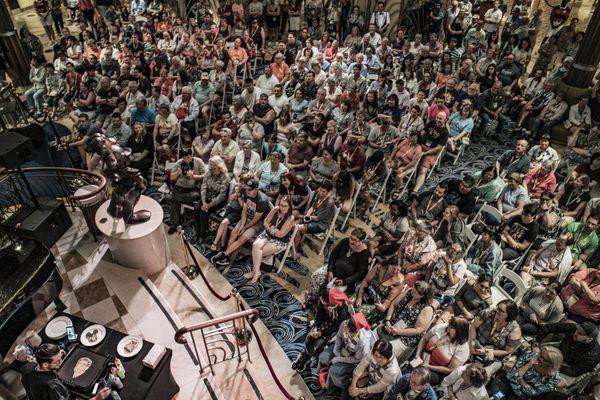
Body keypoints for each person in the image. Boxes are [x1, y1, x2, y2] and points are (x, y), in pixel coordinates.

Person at [211, 179, 271, 267]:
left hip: (259, 223)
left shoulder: (262, 200)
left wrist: (245, 228)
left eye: (250, 190)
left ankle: (224, 254)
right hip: (247, 218)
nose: (247, 191)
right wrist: (242, 225)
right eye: (246, 189)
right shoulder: (246, 193)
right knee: (233, 233)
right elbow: (244, 210)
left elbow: (256, 219)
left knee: (242, 238)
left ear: (256, 189)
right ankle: (227, 256)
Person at [21, 343, 112, 400]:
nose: (61, 362)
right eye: (57, 361)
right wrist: (96, 398)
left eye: (60, 358)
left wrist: (59, 354)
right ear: (45, 364)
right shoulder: (51, 386)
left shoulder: (27, 368)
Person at [292, 288, 351, 371]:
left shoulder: (342, 308)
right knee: (309, 337)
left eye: (326, 304)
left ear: (331, 302)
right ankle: (306, 355)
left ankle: (302, 358)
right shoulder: (323, 301)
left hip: (333, 328)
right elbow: (318, 315)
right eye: (323, 302)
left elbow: (337, 326)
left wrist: (322, 332)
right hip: (323, 323)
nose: (323, 304)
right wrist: (316, 326)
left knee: (317, 344)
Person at [317, 312, 377, 391]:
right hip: (342, 346)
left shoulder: (363, 343)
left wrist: (338, 359)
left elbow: (356, 359)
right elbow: (339, 336)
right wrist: (336, 351)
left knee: (333, 370)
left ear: (355, 332)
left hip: (352, 358)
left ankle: (328, 386)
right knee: (323, 357)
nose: (344, 329)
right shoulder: (344, 324)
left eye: (348, 331)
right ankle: (319, 373)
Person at [377, 281, 435, 361]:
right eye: (412, 289)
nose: (412, 292)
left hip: (405, 338)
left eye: (414, 292)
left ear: (422, 295)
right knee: (371, 336)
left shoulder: (427, 309)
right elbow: (394, 304)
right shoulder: (409, 292)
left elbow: (418, 330)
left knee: (383, 351)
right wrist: (388, 320)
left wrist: (397, 331)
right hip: (391, 324)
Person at [244, 195, 296, 284]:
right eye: (281, 205)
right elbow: (265, 222)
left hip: (280, 241)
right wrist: (272, 229)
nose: (282, 208)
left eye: (285, 206)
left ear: (290, 207)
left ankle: (254, 271)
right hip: (268, 235)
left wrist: (270, 228)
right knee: (255, 245)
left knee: (259, 252)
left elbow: (281, 234)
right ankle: (257, 272)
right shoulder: (276, 209)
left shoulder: (291, 218)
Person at [468, 300, 522, 376]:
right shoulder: (488, 313)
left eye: (501, 311)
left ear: (509, 315)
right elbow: (473, 326)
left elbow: (507, 351)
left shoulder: (514, 330)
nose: (497, 311)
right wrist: (472, 343)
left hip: (494, 356)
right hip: (475, 342)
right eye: (497, 308)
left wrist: (486, 352)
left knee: (479, 375)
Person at [490, 346, 563, 400]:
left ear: (550, 364)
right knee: (497, 398)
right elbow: (511, 376)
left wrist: (521, 379)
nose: (538, 357)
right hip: (505, 383)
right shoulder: (531, 356)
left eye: (542, 358)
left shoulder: (554, 378)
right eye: (540, 354)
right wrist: (528, 365)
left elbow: (533, 393)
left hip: (520, 395)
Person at [412, 317, 471, 385]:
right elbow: (424, 338)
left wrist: (428, 366)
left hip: (436, 370)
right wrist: (418, 355)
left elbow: (450, 370)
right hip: (423, 355)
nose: (448, 326)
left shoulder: (463, 348)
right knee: (411, 367)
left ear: (459, 331)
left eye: (451, 326)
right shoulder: (443, 328)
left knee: (419, 376)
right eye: (449, 323)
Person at [354, 253, 406, 325]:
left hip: (376, 304)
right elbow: (365, 281)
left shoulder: (399, 282)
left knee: (358, 313)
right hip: (365, 292)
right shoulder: (379, 267)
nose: (395, 272)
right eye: (393, 268)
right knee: (349, 302)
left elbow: (388, 300)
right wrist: (359, 297)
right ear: (389, 265)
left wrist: (383, 307)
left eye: (398, 270)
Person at [168, 149, 206, 235]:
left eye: (188, 158)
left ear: (191, 155)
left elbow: (206, 175)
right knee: (176, 201)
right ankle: (175, 224)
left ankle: (174, 224)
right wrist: (178, 172)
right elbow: (172, 178)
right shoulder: (179, 163)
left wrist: (195, 176)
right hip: (180, 188)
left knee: (175, 200)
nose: (186, 160)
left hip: (193, 189)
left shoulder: (198, 161)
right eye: (184, 158)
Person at [194, 156, 230, 241]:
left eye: (213, 166)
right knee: (196, 209)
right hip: (207, 198)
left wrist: (209, 205)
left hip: (218, 201)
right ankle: (197, 232)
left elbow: (221, 196)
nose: (211, 167)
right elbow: (203, 187)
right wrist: (203, 202)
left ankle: (203, 235)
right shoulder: (209, 172)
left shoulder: (225, 177)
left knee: (203, 212)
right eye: (210, 165)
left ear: (219, 166)